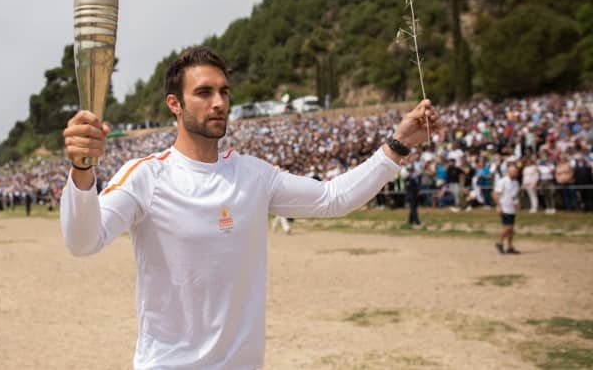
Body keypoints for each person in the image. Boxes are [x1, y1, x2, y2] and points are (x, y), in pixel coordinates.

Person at [60, 46, 439, 369]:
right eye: (204, 92)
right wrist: (81, 170)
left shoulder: (253, 176)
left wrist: (398, 145)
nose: (219, 103)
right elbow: (83, 241)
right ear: (174, 104)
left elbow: (333, 198)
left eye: (224, 91)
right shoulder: (147, 176)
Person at [493, 162, 521, 254]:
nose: (515, 173)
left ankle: (510, 247)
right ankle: (499, 242)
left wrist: (517, 203)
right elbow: (495, 194)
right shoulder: (503, 181)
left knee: (511, 229)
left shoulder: (516, 182)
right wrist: (498, 206)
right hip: (504, 207)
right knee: (508, 228)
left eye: (516, 171)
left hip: (512, 208)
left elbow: (515, 195)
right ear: (508, 172)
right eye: (513, 171)